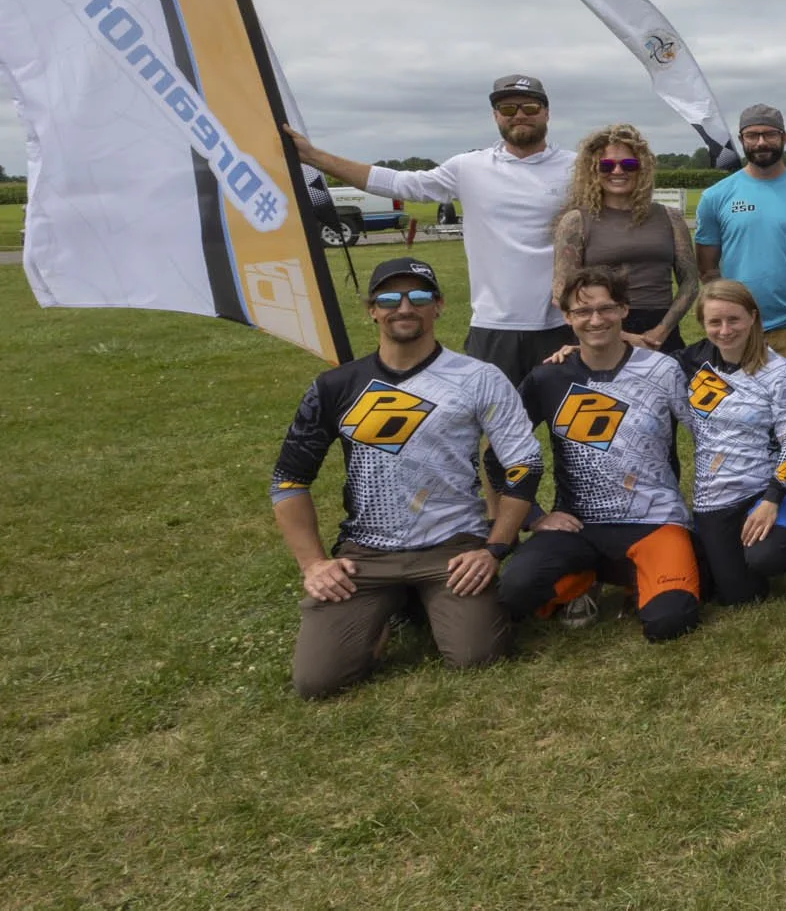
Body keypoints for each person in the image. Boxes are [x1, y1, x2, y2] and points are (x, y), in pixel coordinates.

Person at [270, 255, 541, 698]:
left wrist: (494, 549)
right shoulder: (336, 385)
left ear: (438, 306)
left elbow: (525, 466)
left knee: (478, 657)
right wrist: (314, 564)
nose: (404, 307)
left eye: (418, 296)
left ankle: (413, 604)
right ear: (371, 309)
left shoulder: (478, 378)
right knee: (317, 682)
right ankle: (391, 609)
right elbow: (287, 480)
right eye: (389, 298)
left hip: (453, 548)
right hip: (367, 553)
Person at [286, 73, 575, 383]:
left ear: (546, 112)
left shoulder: (578, 166)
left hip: (568, 322)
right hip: (495, 327)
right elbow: (399, 183)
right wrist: (315, 157)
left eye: (530, 107)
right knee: (496, 426)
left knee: (576, 427)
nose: (519, 115)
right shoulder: (469, 167)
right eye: (507, 109)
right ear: (495, 117)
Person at [499, 266, 705, 644]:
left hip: (655, 519)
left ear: (624, 310)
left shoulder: (663, 369)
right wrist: (534, 516)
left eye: (607, 309)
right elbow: (500, 451)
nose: (596, 320)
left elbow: (706, 435)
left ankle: (637, 578)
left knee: (669, 622)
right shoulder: (549, 378)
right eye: (583, 312)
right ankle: (585, 580)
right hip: (579, 525)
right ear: (567, 317)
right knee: (514, 590)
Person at [695, 104, 786, 486]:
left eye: (769, 134)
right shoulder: (718, 196)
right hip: (739, 332)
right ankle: (756, 486)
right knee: (746, 415)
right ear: (742, 140)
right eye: (753, 135)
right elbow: (707, 266)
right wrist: (728, 311)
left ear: (784, 138)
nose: (761, 142)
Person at [674, 279, 786, 606]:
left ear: (752, 317)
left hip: (763, 488)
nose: (725, 330)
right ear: (702, 324)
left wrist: (771, 499)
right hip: (712, 496)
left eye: (733, 319)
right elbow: (632, 362)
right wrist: (577, 350)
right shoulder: (688, 363)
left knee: (767, 557)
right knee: (740, 596)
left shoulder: (780, 372)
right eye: (714, 322)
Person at [550, 123, 697, 352]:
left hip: (660, 333)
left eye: (629, 164)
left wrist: (661, 331)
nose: (618, 171)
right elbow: (562, 291)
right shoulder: (575, 221)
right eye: (606, 165)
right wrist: (621, 335)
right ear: (593, 170)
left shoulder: (670, 217)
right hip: (602, 329)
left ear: (642, 168)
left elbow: (689, 283)